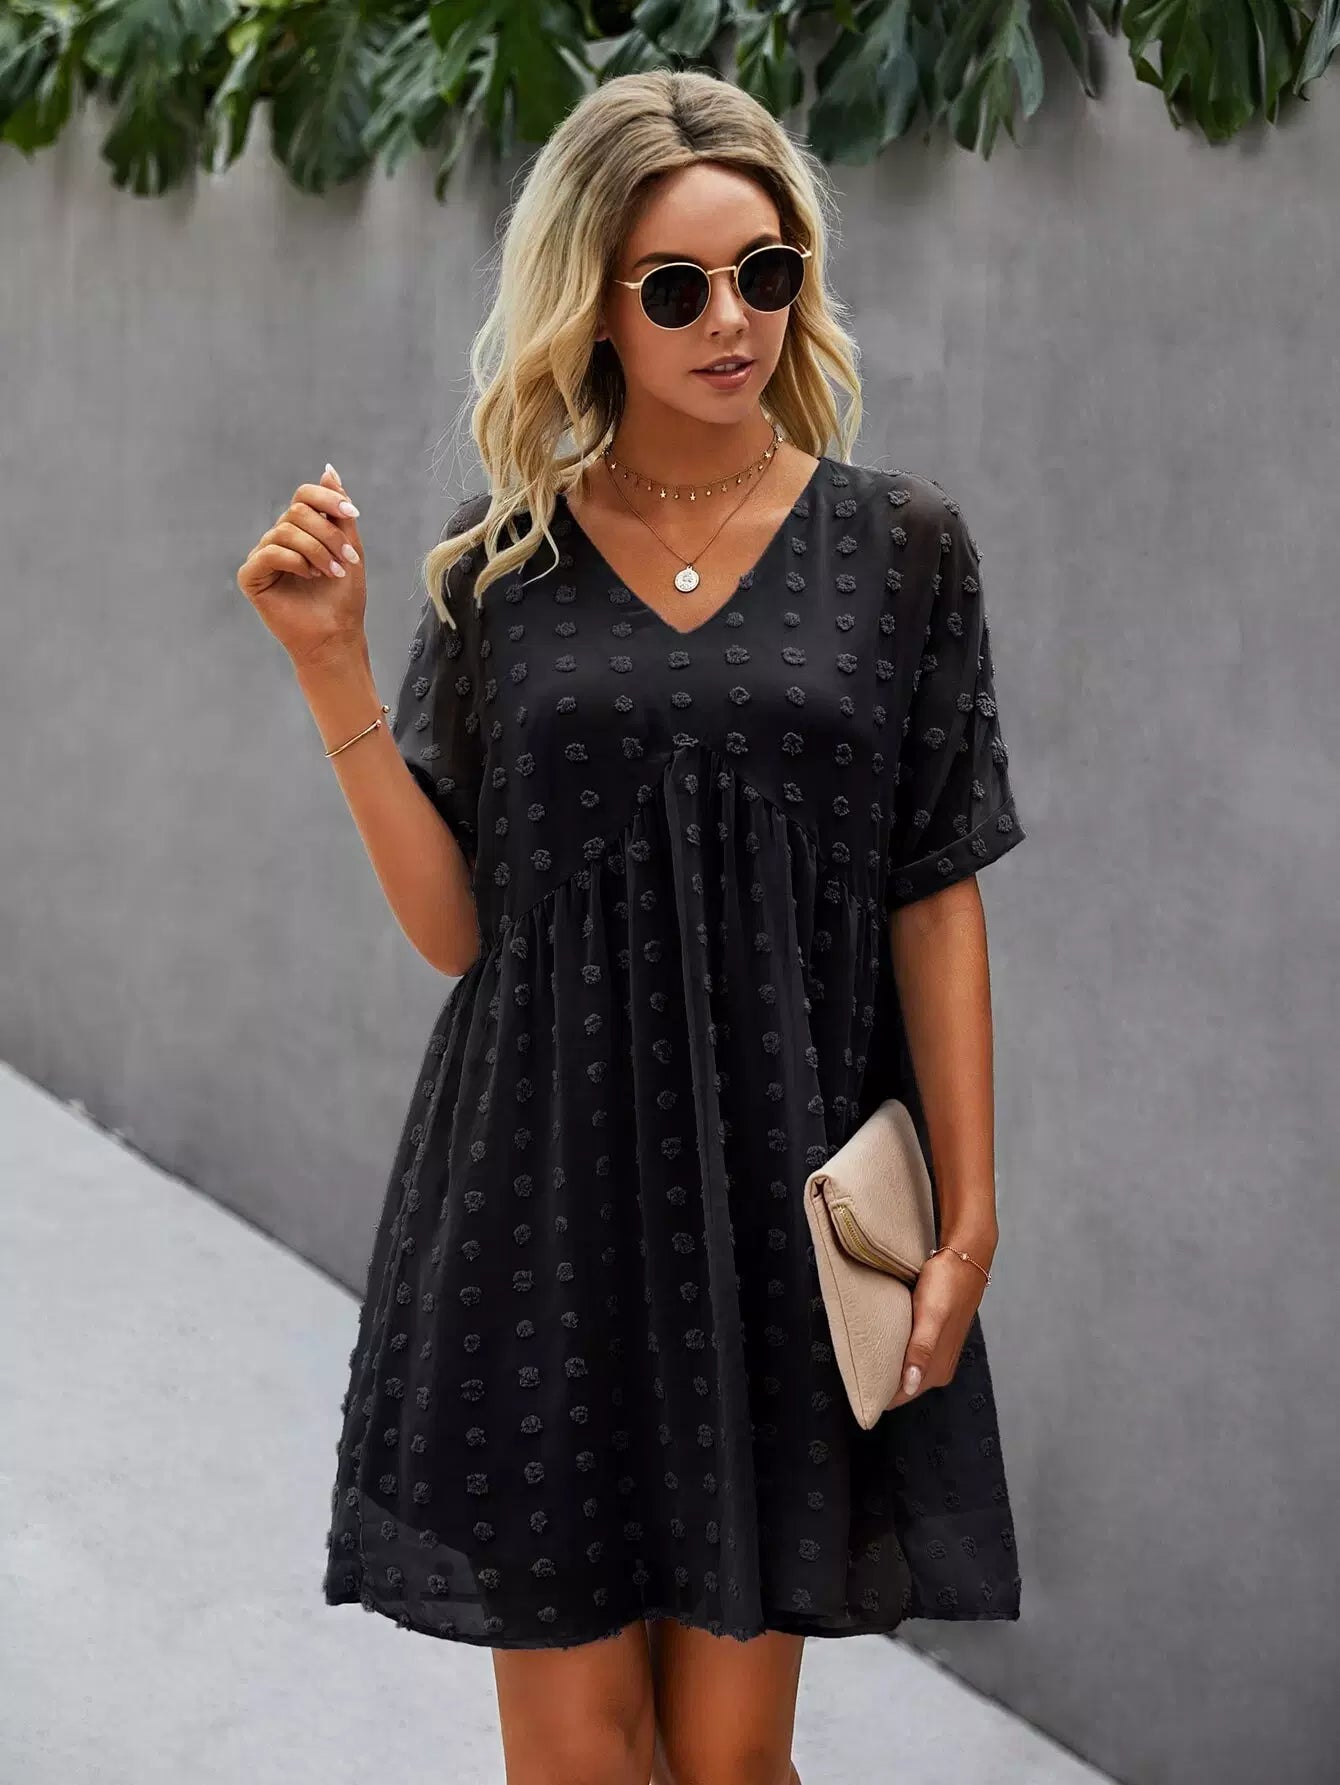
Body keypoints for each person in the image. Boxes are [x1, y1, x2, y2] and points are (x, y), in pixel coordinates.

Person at [238, 66, 1026, 1785]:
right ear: (593, 303)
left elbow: (936, 883)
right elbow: (462, 931)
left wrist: (968, 1215)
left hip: (780, 1201)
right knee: (580, 1758)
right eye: (678, 287)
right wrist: (333, 673)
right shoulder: (499, 566)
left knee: (732, 1762)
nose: (732, 320)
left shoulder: (902, 551)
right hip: (545, 1205)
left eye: (767, 273)